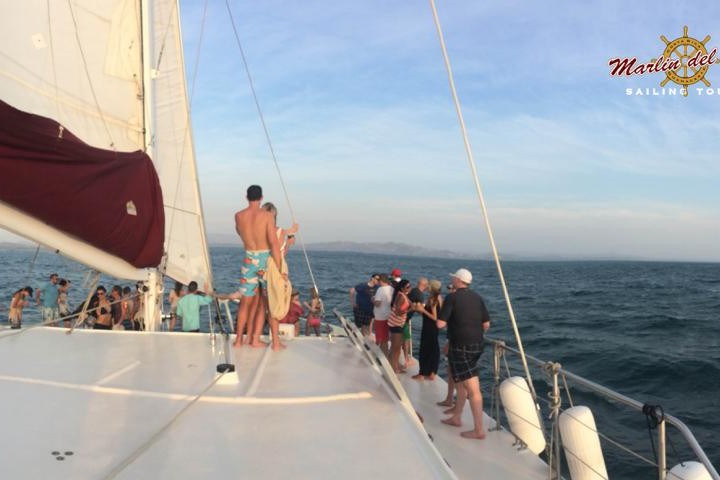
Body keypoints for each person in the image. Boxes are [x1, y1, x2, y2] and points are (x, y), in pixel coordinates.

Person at [437, 268, 491, 440]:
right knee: (461, 383)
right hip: (477, 345)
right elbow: (486, 324)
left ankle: (479, 430)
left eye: (453, 278)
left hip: (461, 347)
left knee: (473, 389)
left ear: (458, 280)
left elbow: (440, 324)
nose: (452, 280)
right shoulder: (477, 297)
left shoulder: (451, 297)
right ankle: (457, 417)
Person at [234, 185, 284, 350]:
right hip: (264, 260)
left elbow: (240, 233)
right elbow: (274, 243)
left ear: (246, 197)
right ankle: (272, 342)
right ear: (261, 197)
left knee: (245, 303)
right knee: (269, 302)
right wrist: (279, 269)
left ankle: (239, 340)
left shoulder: (239, 216)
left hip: (249, 259)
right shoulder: (267, 215)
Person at [413, 280, 442, 381]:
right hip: (434, 328)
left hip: (429, 327)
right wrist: (421, 311)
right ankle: (432, 372)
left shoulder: (433, 299)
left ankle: (422, 373)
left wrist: (422, 310)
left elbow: (434, 317)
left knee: (425, 349)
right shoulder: (439, 297)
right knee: (434, 349)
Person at [403, 277, 429, 368]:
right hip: (404, 319)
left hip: (401, 316)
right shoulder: (420, 295)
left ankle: (404, 356)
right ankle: (406, 359)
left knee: (403, 338)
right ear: (425, 286)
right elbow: (420, 310)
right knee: (406, 339)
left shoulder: (413, 290)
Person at [387, 279, 411, 374]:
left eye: (410, 286)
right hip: (396, 324)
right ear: (402, 288)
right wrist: (410, 309)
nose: (410, 288)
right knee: (395, 348)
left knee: (397, 348)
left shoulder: (402, 295)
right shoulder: (401, 296)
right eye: (407, 287)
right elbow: (397, 312)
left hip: (398, 324)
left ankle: (395, 365)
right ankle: (393, 368)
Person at [371, 274, 393, 355]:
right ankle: (385, 354)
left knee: (381, 339)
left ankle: (383, 356)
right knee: (386, 337)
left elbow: (377, 304)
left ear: (381, 281)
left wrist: (373, 299)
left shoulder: (380, 289)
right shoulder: (392, 289)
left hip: (380, 317)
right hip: (389, 316)